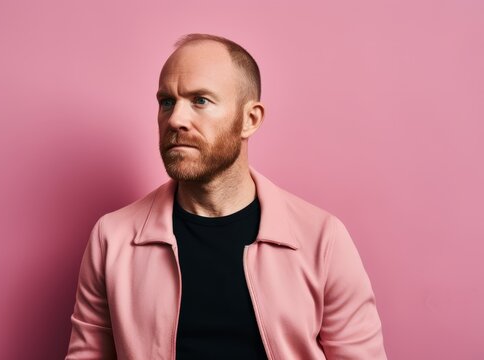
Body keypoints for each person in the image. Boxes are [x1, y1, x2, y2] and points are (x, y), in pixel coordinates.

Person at [65, 33, 387, 360]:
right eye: (167, 102)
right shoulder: (112, 238)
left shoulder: (322, 240)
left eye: (200, 100)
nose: (175, 119)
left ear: (250, 119)